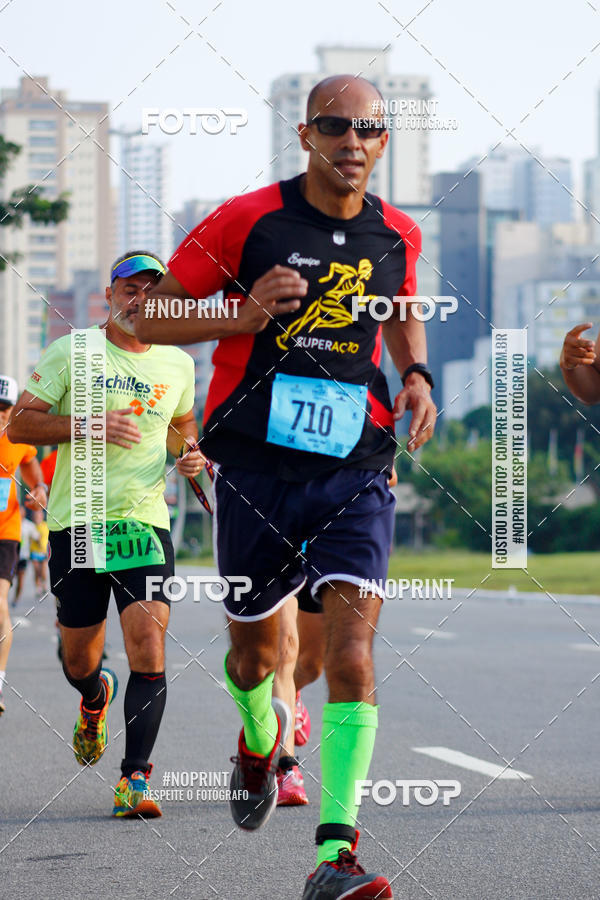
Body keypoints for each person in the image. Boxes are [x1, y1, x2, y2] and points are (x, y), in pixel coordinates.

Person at [136, 76, 436, 898]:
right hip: (256, 470)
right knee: (253, 656)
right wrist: (238, 317)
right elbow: (142, 320)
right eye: (334, 126)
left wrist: (414, 372)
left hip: (356, 466)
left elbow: (403, 303)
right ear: (305, 135)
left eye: (368, 128)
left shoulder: (397, 230)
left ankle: (334, 856)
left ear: (382, 141)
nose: (352, 140)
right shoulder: (247, 221)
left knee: (351, 653)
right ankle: (258, 735)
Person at [8, 251, 203, 817]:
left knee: (149, 646)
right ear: (110, 293)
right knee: (77, 659)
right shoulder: (72, 350)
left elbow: (181, 425)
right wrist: (87, 423)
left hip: (143, 523)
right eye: (129, 287)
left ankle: (135, 779)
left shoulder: (177, 363)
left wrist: (189, 454)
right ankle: (94, 697)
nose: (140, 298)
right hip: (78, 523)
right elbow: (20, 422)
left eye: (152, 289)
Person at [0, 375, 47, 715]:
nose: (1, 414)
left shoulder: (18, 438)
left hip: (6, 533)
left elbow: (33, 471)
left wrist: (39, 490)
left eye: (6, 409)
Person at [12, 506, 37, 608]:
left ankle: (16, 599)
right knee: (7, 580)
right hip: (12, 557)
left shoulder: (28, 525)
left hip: (23, 557)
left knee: (20, 581)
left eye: (21, 512)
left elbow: (37, 537)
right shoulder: (12, 523)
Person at [29, 507, 49, 595]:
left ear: (42, 516)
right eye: (35, 516)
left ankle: (44, 584)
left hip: (44, 552)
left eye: (38, 515)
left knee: (43, 571)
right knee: (36, 571)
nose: (37, 517)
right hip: (34, 552)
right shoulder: (32, 526)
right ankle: (38, 587)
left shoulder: (46, 526)